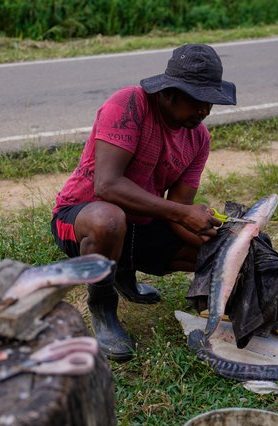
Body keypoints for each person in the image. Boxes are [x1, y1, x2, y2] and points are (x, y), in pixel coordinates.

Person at [50, 44, 236, 361]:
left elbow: (180, 213)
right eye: (197, 99)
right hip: (82, 217)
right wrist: (182, 213)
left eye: (210, 102)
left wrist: (221, 240)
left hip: (138, 225)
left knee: (222, 253)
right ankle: (103, 306)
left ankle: (122, 271)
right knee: (108, 221)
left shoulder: (198, 138)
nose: (205, 110)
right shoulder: (130, 104)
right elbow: (107, 185)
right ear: (169, 92)